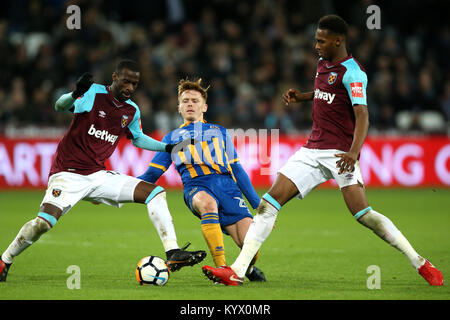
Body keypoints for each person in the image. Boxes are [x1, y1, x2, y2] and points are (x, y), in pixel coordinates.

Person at [202, 15, 444, 286]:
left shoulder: (353, 72)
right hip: (311, 150)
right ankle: (236, 271)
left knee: (364, 215)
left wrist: (353, 153)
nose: (316, 45)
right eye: (316, 39)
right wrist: (302, 96)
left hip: (340, 153)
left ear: (338, 40)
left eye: (321, 40)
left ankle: (420, 262)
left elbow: (362, 115)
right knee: (268, 205)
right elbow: (326, 93)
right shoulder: (322, 65)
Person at [0, 60, 206, 282]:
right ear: (115, 77)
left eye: (134, 84)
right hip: (67, 173)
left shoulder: (131, 110)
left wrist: (167, 147)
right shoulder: (94, 93)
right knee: (43, 223)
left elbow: (137, 139)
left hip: (98, 176)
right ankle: (5, 259)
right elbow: (59, 106)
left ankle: (173, 252)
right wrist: (76, 92)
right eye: (126, 81)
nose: (130, 87)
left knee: (156, 193)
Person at [138, 78, 266, 282]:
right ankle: (222, 268)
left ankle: (247, 270)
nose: (190, 104)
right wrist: (122, 185)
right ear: (178, 107)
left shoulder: (220, 133)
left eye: (195, 101)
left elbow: (237, 169)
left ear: (204, 106)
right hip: (196, 187)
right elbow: (151, 175)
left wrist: (257, 204)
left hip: (228, 188)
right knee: (207, 204)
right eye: (186, 100)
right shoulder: (171, 138)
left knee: (249, 243)